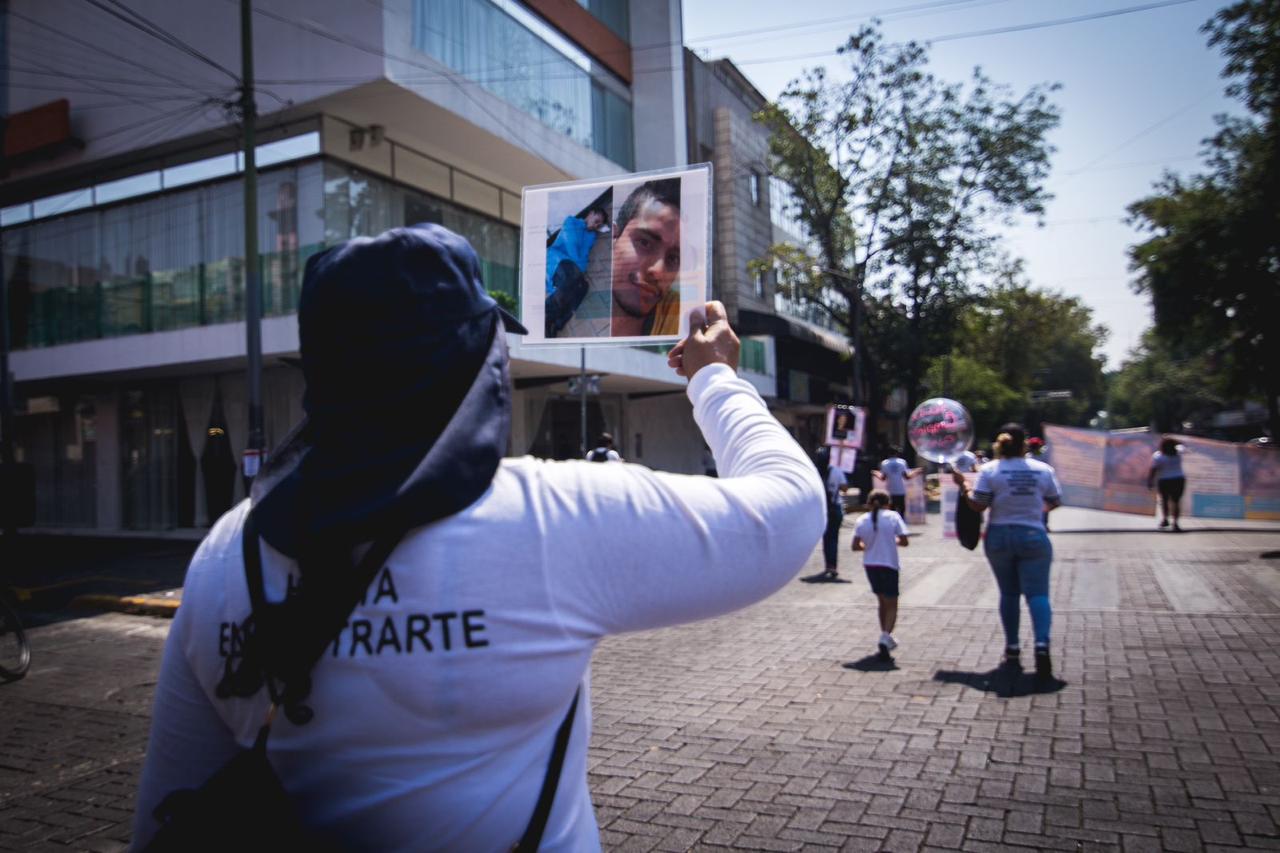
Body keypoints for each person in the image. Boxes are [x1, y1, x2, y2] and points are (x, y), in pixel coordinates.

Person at [132, 223, 825, 852]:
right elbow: (790, 508)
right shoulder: (551, 517)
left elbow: (166, 812)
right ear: (476, 363)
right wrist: (715, 379)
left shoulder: (228, 551)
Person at [953, 423, 1063, 689]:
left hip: (999, 536)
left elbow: (978, 504)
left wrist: (964, 486)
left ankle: (1012, 647)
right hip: (1033, 535)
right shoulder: (1043, 470)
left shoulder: (990, 470)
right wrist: (1034, 507)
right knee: (1038, 595)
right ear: (1025, 443)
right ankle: (1041, 646)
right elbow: (1056, 499)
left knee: (1009, 594)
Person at [609, 179, 682, 337]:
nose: (658, 271)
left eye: (673, 258)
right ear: (613, 237)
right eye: (644, 243)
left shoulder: (682, 320)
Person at [851, 489, 909, 662]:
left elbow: (855, 546)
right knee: (892, 603)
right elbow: (904, 541)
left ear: (869, 503)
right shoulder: (893, 517)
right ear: (888, 503)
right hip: (889, 564)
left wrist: (868, 545)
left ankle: (885, 634)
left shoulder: (861, 520)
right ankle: (885, 637)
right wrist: (893, 541)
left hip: (870, 565)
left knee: (882, 602)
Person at [544, 207, 608, 337]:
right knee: (573, 279)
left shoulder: (591, 236)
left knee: (583, 287)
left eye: (599, 225)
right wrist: (578, 269)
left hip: (572, 268)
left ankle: (557, 323)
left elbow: (584, 260)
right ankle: (548, 312)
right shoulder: (571, 222)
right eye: (596, 221)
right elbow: (572, 249)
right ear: (590, 214)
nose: (596, 226)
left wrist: (579, 270)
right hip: (556, 259)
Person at [1147, 436, 1186, 532]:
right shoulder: (1178, 452)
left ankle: (1165, 519)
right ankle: (1176, 523)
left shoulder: (1158, 456)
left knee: (1164, 501)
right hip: (1178, 479)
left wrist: (1150, 481)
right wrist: (1172, 439)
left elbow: (1153, 470)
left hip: (1164, 480)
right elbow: (1182, 444)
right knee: (1176, 502)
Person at [821, 448, 849, 579]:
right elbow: (844, 488)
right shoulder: (836, 471)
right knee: (833, 538)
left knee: (826, 538)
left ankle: (828, 564)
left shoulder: (816, 472)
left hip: (822, 510)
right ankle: (832, 565)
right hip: (835, 508)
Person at [872, 447, 919, 516]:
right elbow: (907, 477)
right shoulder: (902, 462)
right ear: (897, 454)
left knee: (891, 512)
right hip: (901, 490)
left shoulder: (885, 463)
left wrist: (876, 473)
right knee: (902, 512)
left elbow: (883, 478)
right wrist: (916, 472)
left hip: (890, 491)